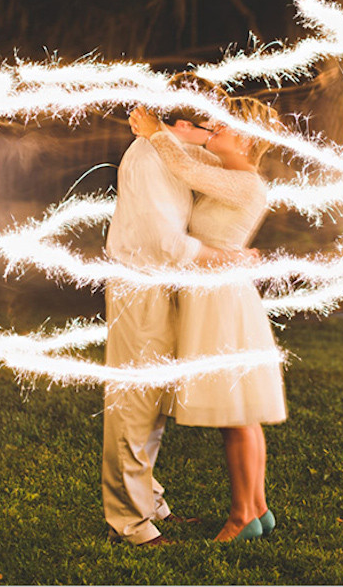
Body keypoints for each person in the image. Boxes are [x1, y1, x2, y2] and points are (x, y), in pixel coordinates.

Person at [102, 74, 253, 547]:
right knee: (134, 406)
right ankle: (130, 523)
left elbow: (221, 164)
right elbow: (163, 242)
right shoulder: (147, 159)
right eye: (210, 126)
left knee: (157, 405)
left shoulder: (174, 148)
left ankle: (151, 504)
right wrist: (224, 257)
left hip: (169, 286)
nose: (215, 135)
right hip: (140, 285)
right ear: (187, 121)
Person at [129, 96, 287, 542]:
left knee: (236, 415)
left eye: (227, 123)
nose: (215, 125)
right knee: (242, 414)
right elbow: (192, 167)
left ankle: (241, 518)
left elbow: (188, 170)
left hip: (223, 303)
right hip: (218, 296)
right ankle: (256, 508)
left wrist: (153, 130)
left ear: (249, 138)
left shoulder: (247, 182)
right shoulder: (232, 176)